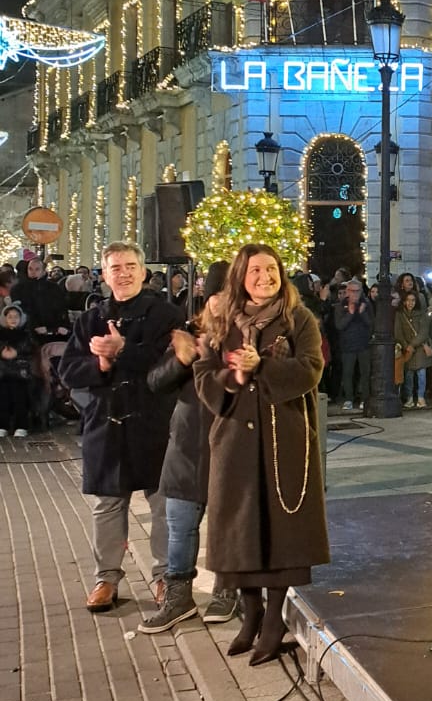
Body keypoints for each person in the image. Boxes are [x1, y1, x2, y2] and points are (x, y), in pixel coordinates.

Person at [194, 244, 328, 666]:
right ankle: (250, 613)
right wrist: (233, 376)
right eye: (255, 270)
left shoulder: (299, 319)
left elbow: (311, 369)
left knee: (280, 530)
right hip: (234, 440)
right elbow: (202, 372)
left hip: (283, 438)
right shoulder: (220, 320)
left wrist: (264, 367)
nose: (265, 277)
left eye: (271, 269)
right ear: (241, 276)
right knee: (238, 529)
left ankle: (273, 619)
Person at [59, 242, 185, 611]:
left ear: (144, 272)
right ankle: (106, 579)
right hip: (106, 423)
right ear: (105, 275)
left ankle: (164, 577)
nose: (124, 273)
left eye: (131, 266)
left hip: (153, 422)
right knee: (107, 504)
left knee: (161, 503)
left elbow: (172, 365)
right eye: (116, 267)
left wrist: (123, 350)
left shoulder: (166, 314)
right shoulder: (90, 319)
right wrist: (99, 366)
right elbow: (67, 370)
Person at [139, 263, 237, 633]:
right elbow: (155, 382)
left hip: (228, 447)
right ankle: (178, 598)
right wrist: (182, 360)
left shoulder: (246, 338)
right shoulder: (189, 335)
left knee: (227, 526)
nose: (222, 302)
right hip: (185, 447)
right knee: (179, 527)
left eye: (230, 295)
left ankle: (227, 590)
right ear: (206, 299)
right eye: (216, 295)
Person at [333, 278, 372, 411]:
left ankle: (364, 399)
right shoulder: (340, 306)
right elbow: (339, 325)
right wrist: (350, 313)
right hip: (348, 345)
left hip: (363, 344)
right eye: (352, 291)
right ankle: (348, 399)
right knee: (348, 373)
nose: (355, 294)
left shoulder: (366, 304)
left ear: (361, 291)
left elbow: (371, 324)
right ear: (347, 291)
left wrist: (362, 313)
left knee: (365, 373)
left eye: (357, 291)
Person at [13, 256, 70, 346]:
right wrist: (34, 326)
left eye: (37, 269)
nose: (33, 272)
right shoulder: (19, 289)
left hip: (54, 331)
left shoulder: (54, 288)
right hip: (29, 332)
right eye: (30, 269)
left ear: (43, 271)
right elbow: (21, 310)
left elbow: (61, 308)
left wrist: (60, 327)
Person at [0, 302, 35, 438]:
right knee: (3, 399)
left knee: (20, 399)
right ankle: (3, 425)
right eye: (10, 316)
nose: (13, 319)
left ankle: (21, 426)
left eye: (16, 316)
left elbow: (30, 347)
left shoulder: (25, 334)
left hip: (20, 372)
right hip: (3, 372)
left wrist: (17, 351)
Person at [395, 289, 432, 407]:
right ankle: (409, 397)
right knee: (408, 375)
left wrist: (413, 344)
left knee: (421, 374)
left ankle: (421, 397)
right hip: (407, 350)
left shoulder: (422, 314)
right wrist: (406, 346)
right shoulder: (400, 314)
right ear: (404, 301)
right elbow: (398, 332)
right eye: (408, 300)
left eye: (413, 300)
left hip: (419, 348)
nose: (410, 303)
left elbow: (424, 332)